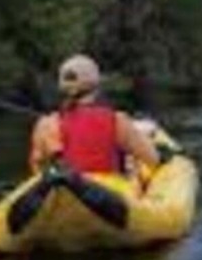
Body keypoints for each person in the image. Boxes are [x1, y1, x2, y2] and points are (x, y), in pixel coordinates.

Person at [28, 55, 160, 179]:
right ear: (96, 86)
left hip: (64, 191)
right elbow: (153, 159)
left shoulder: (46, 123)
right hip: (107, 194)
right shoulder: (117, 120)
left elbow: (37, 168)